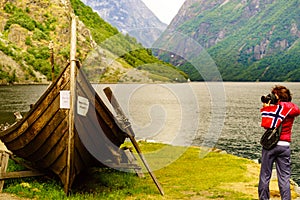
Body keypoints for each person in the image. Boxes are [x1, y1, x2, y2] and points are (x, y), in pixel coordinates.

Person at [258, 85, 300, 200]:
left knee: (265, 176)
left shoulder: (275, 109)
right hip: (285, 146)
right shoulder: (292, 109)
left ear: (277, 97)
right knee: (284, 177)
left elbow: (266, 125)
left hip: (270, 146)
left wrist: (266, 108)